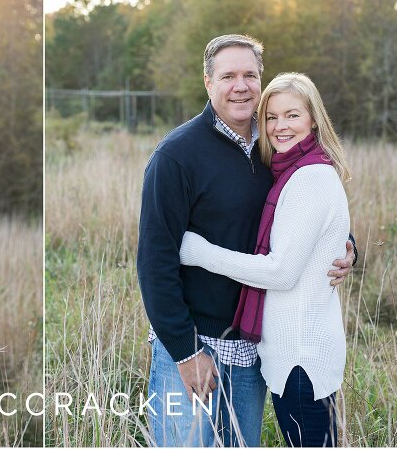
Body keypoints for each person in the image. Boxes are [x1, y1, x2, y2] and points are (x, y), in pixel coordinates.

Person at [136, 35, 355, 447]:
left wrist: (345, 244)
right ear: (208, 82)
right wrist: (185, 352)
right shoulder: (176, 157)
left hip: (251, 347)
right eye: (228, 76)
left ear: (261, 80)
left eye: (250, 75)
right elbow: (154, 262)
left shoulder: (274, 145)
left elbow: (307, 208)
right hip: (193, 343)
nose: (241, 85)